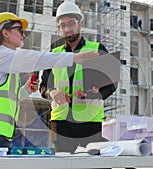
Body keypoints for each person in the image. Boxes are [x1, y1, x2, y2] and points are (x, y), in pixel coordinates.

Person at [0, 12, 98, 147]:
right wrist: (73, 58)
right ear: (5, 33)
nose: (23, 34)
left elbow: (11, 100)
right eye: (19, 30)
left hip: (0, 134)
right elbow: (34, 58)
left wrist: (26, 90)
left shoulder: (7, 64)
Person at [40, 1, 117, 153]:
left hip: (89, 122)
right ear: (59, 28)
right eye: (63, 25)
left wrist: (96, 93)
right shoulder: (53, 54)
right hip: (61, 123)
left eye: (71, 23)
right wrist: (52, 92)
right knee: (62, 164)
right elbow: (43, 86)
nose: (68, 28)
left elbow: (112, 83)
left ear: (80, 24)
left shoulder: (97, 49)